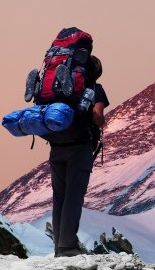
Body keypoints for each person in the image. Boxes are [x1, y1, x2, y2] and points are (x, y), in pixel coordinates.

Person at [49, 55, 109, 257]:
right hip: (80, 148)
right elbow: (97, 115)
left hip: (57, 146)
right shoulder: (95, 88)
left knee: (59, 197)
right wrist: (101, 123)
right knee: (73, 196)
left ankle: (59, 246)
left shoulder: (61, 89)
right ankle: (67, 247)